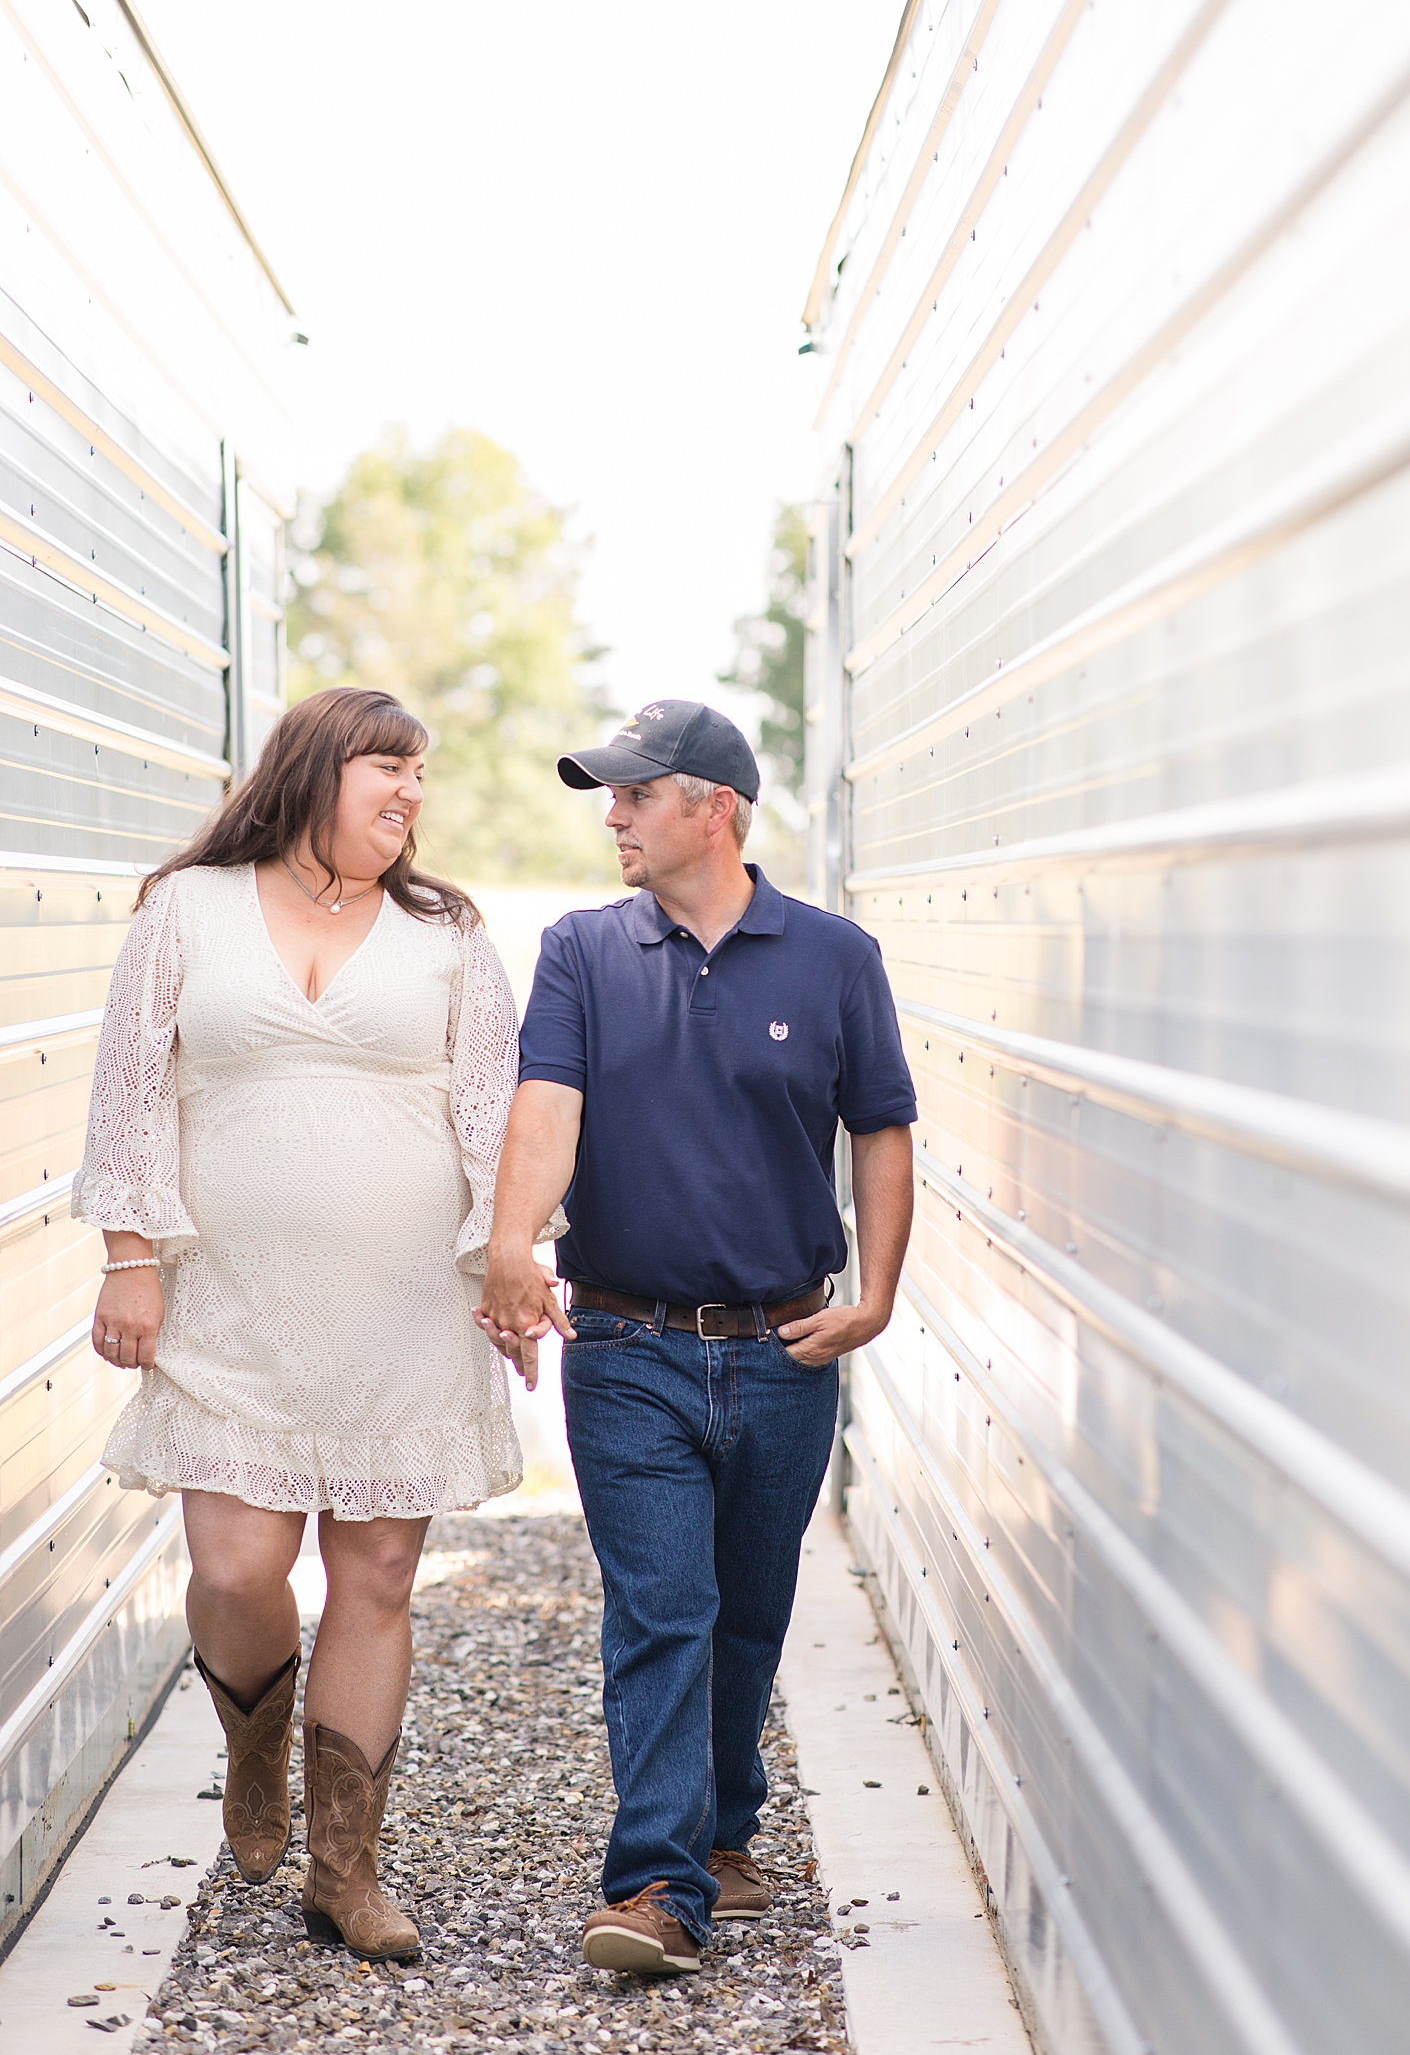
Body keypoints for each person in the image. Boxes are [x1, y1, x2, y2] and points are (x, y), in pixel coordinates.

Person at [74, 686, 552, 1961]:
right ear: (310, 772)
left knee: (378, 1576)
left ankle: (347, 1868)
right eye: (383, 769)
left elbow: (497, 1117)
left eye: (418, 778)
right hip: (226, 1304)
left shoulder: (446, 930)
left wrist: (508, 1265)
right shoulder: (189, 908)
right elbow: (129, 1087)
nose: (407, 794)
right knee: (234, 1571)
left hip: (402, 1312)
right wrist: (130, 1256)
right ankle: (253, 1747)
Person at [476, 698, 917, 1974]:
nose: (610, 816)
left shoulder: (834, 957)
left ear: (713, 807)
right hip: (626, 1347)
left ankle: (725, 1833)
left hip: (786, 1350)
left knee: (746, 1613)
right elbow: (544, 1106)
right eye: (606, 798)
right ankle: (659, 1886)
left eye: (632, 793)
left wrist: (876, 1295)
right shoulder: (580, 952)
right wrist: (516, 1238)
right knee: (664, 1609)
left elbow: (881, 1126)